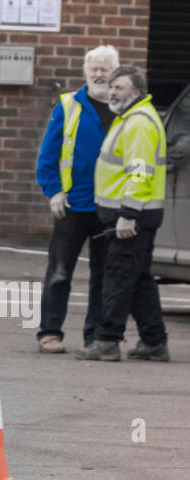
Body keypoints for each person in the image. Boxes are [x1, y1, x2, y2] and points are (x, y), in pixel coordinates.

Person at [76, 66, 170, 362]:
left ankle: (107, 340)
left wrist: (128, 214)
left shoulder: (138, 123)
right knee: (138, 279)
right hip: (131, 215)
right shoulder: (130, 118)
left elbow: (140, 173)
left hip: (130, 218)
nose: (113, 92)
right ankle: (154, 341)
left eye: (120, 88)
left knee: (116, 277)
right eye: (112, 87)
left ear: (137, 92)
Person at [34, 46, 119, 353]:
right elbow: (48, 154)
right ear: (86, 72)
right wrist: (53, 191)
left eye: (105, 69)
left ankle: (94, 336)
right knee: (59, 272)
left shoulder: (125, 108)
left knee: (103, 275)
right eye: (94, 69)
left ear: (115, 73)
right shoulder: (69, 106)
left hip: (110, 207)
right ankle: (49, 332)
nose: (99, 74)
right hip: (72, 205)